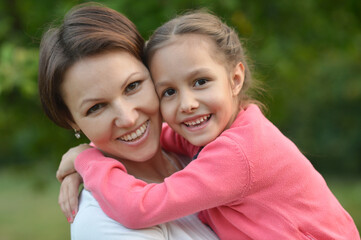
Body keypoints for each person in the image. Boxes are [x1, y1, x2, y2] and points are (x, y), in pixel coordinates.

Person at [57, 10, 361, 240]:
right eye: (170, 92)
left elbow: (141, 206)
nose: (187, 103)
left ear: (235, 78)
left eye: (200, 82)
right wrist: (94, 149)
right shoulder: (232, 131)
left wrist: (88, 160)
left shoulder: (235, 153)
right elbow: (161, 137)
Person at [38, 3, 219, 240]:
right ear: (71, 120)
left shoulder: (197, 142)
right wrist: (87, 160)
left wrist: (85, 159)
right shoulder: (102, 224)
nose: (128, 118)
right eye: (96, 107)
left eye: (132, 86)